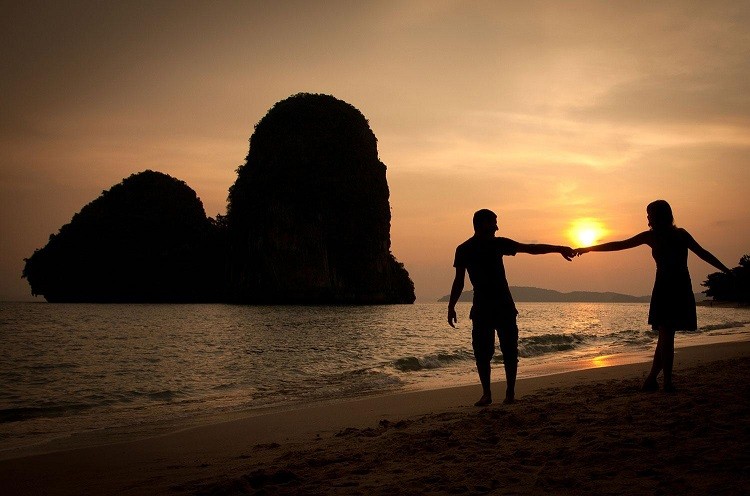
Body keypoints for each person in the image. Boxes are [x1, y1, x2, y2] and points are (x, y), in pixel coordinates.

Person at [575, 200, 731, 392]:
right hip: (668, 286)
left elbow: (703, 253)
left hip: (673, 287)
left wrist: (726, 270)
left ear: (658, 215)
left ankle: (666, 383)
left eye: (649, 214)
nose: (647, 217)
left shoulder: (678, 234)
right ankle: (652, 380)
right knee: (666, 336)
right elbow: (619, 245)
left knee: (667, 335)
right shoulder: (653, 236)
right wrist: (589, 248)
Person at [448, 209, 574, 406]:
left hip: (504, 305)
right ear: (482, 224)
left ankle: (510, 393)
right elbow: (459, 282)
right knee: (482, 352)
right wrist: (451, 306)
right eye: (494, 223)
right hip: (482, 307)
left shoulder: (498, 244)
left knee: (509, 351)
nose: (497, 227)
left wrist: (558, 248)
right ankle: (487, 393)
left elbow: (530, 248)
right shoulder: (464, 249)